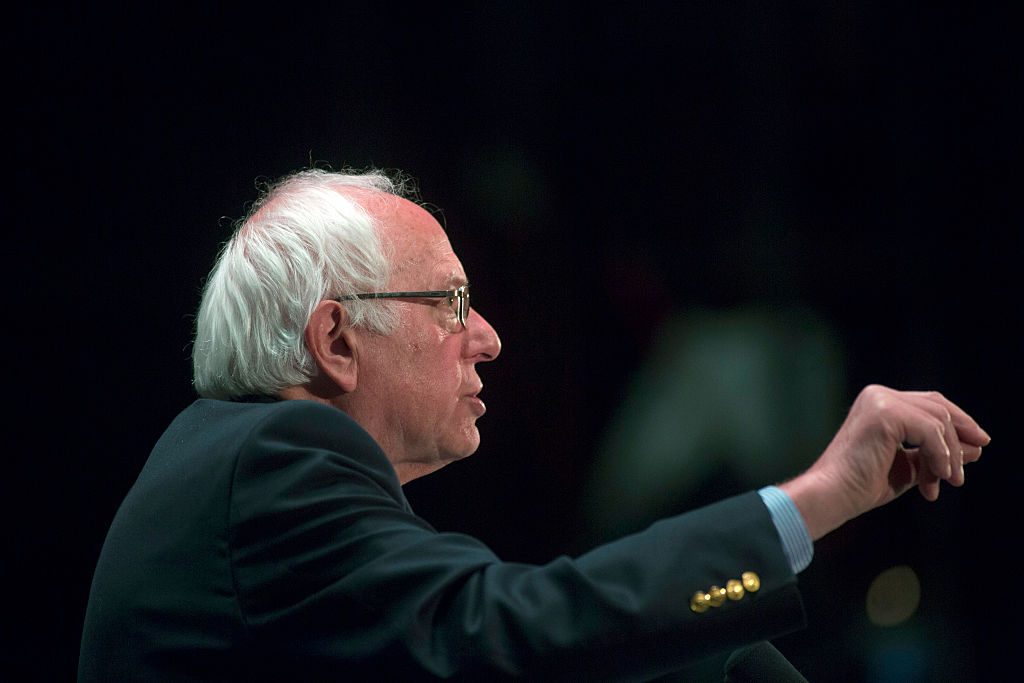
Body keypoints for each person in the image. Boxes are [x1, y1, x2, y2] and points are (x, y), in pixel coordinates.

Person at [78, 167, 990, 682]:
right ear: (336, 339)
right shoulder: (283, 458)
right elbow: (506, 635)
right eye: (451, 300)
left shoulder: (234, 467)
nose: (489, 336)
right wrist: (817, 498)